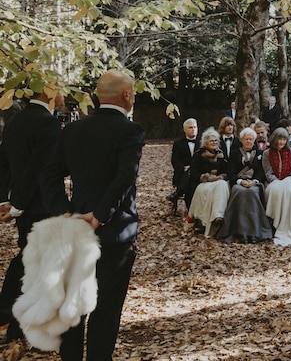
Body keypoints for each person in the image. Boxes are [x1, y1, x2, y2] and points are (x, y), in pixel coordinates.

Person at [41, 70, 146, 360]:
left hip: (75, 231)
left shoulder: (73, 130)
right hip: (115, 232)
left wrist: (65, 212)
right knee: (106, 311)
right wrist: (100, 215)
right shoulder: (130, 130)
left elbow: (49, 174)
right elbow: (125, 177)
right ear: (127, 95)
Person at [0, 89, 64, 343]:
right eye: (59, 88)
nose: (63, 93)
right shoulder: (49, 124)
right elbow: (40, 168)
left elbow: (2, 160)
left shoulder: (16, 120)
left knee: (30, 261)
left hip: (26, 205)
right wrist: (18, 203)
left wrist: (5, 198)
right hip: (41, 206)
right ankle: (11, 316)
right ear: (48, 92)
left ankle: (15, 324)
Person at [216, 127, 272, 244]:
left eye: (251, 139)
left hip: (253, 184)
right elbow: (230, 172)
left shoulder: (259, 154)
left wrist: (254, 181)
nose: (248, 141)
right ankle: (240, 232)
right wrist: (240, 181)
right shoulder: (235, 153)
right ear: (241, 140)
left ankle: (254, 232)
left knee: (252, 192)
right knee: (240, 192)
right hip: (238, 183)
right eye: (246, 139)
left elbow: (261, 172)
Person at [187, 128, 230, 238]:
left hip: (219, 183)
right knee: (219, 187)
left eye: (216, 141)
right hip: (203, 184)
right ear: (205, 142)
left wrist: (220, 176)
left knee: (222, 185)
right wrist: (207, 177)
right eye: (212, 141)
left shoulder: (221, 155)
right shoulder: (198, 155)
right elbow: (194, 173)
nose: (214, 143)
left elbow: (227, 171)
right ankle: (210, 218)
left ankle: (217, 216)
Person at [262, 127, 291, 247]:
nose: (282, 142)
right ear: (274, 139)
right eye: (279, 139)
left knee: (289, 190)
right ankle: (276, 222)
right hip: (273, 182)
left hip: (288, 179)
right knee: (277, 190)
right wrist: (278, 181)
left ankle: (287, 225)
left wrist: (288, 180)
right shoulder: (266, 153)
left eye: (284, 139)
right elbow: (268, 173)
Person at [168, 118, 198, 214]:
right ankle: (191, 213)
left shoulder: (203, 143)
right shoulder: (178, 144)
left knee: (192, 175)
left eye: (195, 127)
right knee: (189, 182)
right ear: (184, 130)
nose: (193, 129)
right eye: (190, 127)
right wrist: (183, 168)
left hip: (199, 173)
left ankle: (178, 193)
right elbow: (175, 160)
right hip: (182, 174)